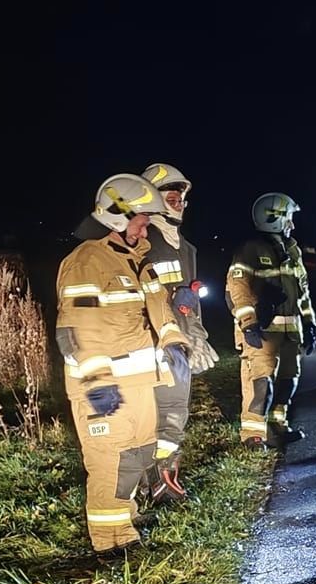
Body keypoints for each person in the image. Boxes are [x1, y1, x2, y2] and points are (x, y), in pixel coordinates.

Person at [55, 174, 189, 555]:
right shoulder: (86, 263)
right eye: (142, 217)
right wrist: (96, 382)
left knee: (135, 457)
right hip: (103, 387)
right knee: (109, 463)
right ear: (118, 215)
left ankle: (123, 529)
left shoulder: (138, 263)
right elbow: (75, 330)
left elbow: (160, 309)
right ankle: (109, 545)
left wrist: (175, 343)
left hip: (140, 384)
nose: (147, 225)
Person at [139, 162, 218, 499]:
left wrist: (197, 337)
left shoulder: (183, 246)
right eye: (170, 197)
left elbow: (191, 300)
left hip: (180, 343)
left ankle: (165, 476)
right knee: (156, 415)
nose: (179, 202)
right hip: (152, 344)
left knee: (174, 415)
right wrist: (172, 299)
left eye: (181, 197)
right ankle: (150, 483)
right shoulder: (141, 242)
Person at [226, 193, 316, 445]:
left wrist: (310, 324)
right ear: (274, 219)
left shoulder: (292, 249)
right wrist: (249, 324)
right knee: (262, 384)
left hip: (290, 333)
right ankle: (254, 435)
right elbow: (238, 289)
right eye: (289, 218)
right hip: (263, 332)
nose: (293, 224)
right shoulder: (250, 250)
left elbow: (303, 292)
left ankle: (278, 426)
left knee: (288, 381)